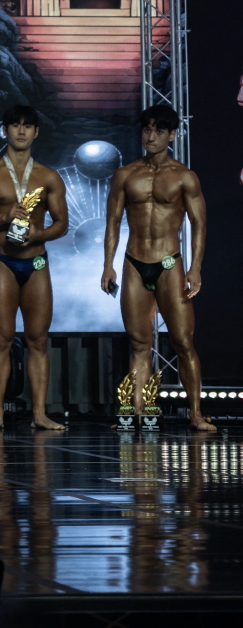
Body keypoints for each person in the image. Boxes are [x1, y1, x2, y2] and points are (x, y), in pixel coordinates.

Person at [101, 103, 212, 431]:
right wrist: (107, 265)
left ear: (172, 135)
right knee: (139, 344)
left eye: (158, 131)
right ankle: (135, 414)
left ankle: (195, 415)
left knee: (183, 342)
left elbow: (199, 224)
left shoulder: (184, 177)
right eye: (147, 130)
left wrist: (195, 268)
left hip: (169, 263)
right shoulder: (125, 175)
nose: (150, 137)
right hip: (134, 263)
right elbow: (112, 222)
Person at [0, 105, 69, 430]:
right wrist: (3, 217)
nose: (22, 131)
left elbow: (62, 224)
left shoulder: (48, 177)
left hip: (36, 262)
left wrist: (38, 235)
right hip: (4, 262)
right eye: (15, 125)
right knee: (1, 340)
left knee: (38, 340)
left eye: (28, 126)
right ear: (5, 130)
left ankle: (39, 414)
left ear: (36, 132)